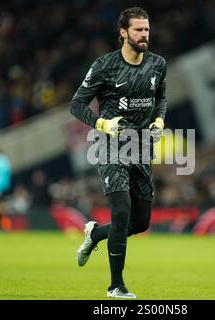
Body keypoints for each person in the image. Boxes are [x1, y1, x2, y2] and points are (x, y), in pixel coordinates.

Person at [70, 7, 167, 299]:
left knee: (140, 222)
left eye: (147, 29)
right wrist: (101, 123)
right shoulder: (105, 66)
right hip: (110, 145)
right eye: (138, 30)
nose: (144, 35)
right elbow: (77, 104)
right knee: (122, 212)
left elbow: (161, 97)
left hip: (141, 148)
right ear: (123, 32)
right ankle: (116, 286)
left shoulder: (159, 64)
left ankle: (95, 234)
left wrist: (160, 120)